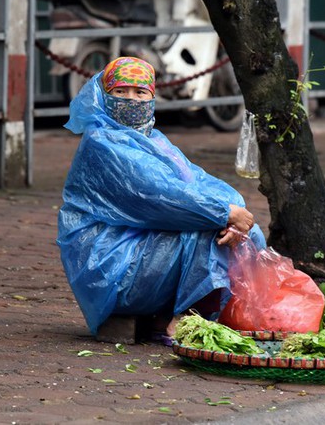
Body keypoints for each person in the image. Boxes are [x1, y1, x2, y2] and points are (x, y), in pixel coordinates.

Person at [56, 56, 265, 342]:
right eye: (120, 91)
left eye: (140, 92)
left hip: (144, 245)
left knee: (247, 231)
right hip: (109, 263)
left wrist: (235, 208)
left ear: (152, 98)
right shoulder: (101, 143)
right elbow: (161, 197)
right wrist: (223, 213)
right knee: (205, 232)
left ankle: (184, 314)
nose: (131, 99)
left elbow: (197, 182)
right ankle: (185, 319)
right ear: (105, 96)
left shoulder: (155, 141)